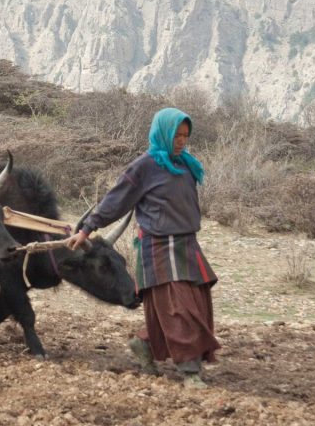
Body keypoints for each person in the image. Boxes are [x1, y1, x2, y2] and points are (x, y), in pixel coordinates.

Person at [67, 107, 219, 388]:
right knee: (180, 308)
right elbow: (116, 200)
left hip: (187, 244)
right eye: (177, 135)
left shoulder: (186, 164)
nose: (182, 141)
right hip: (159, 247)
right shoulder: (144, 166)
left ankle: (145, 344)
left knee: (192, 304)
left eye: (186, 136)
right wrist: (88, 228)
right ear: (163, 133)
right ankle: (190, 371)